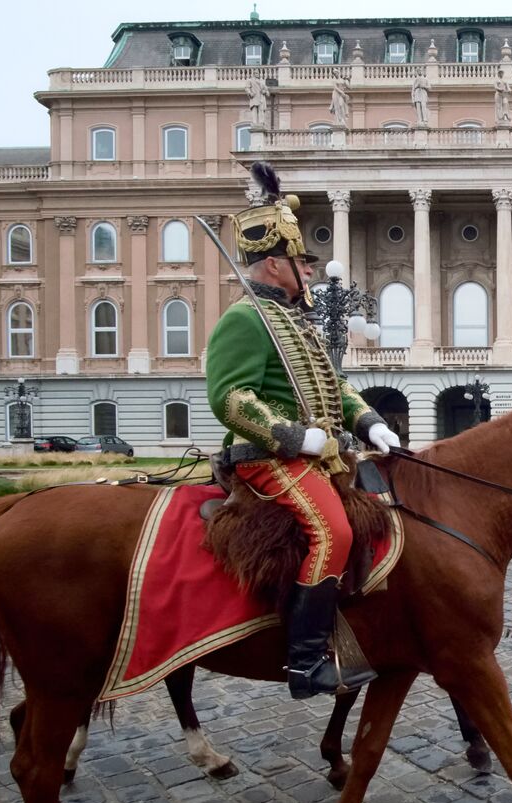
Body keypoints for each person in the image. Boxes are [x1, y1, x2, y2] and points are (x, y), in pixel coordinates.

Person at [206, 161, 400, 699]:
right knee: (331, 531)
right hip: (269, 457)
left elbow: (334, 387)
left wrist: (371, 423)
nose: (310, 270)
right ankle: (304, 662)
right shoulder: (244, 320)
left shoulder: (295, 322)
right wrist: (296, 437)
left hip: (321, 456)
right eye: (301, 261)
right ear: (273, 265)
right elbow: (231, 398)